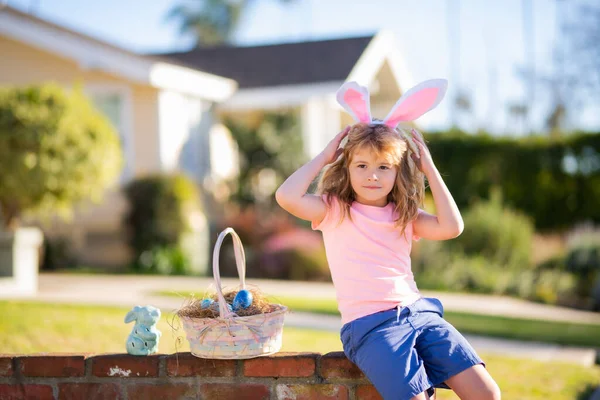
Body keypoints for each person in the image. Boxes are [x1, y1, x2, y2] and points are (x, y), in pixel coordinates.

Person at [275, 80, 501, 400]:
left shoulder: (405, 215)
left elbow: (452, 227)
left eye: (384, 167)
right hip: (372, 328)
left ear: (397, 172)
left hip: (420, 315)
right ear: (348, 168)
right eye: (362, 166)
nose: (373, 175)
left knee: (487, 393)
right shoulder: (334, 210)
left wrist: (429, 168)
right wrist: (325, 156)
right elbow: (285, 196)